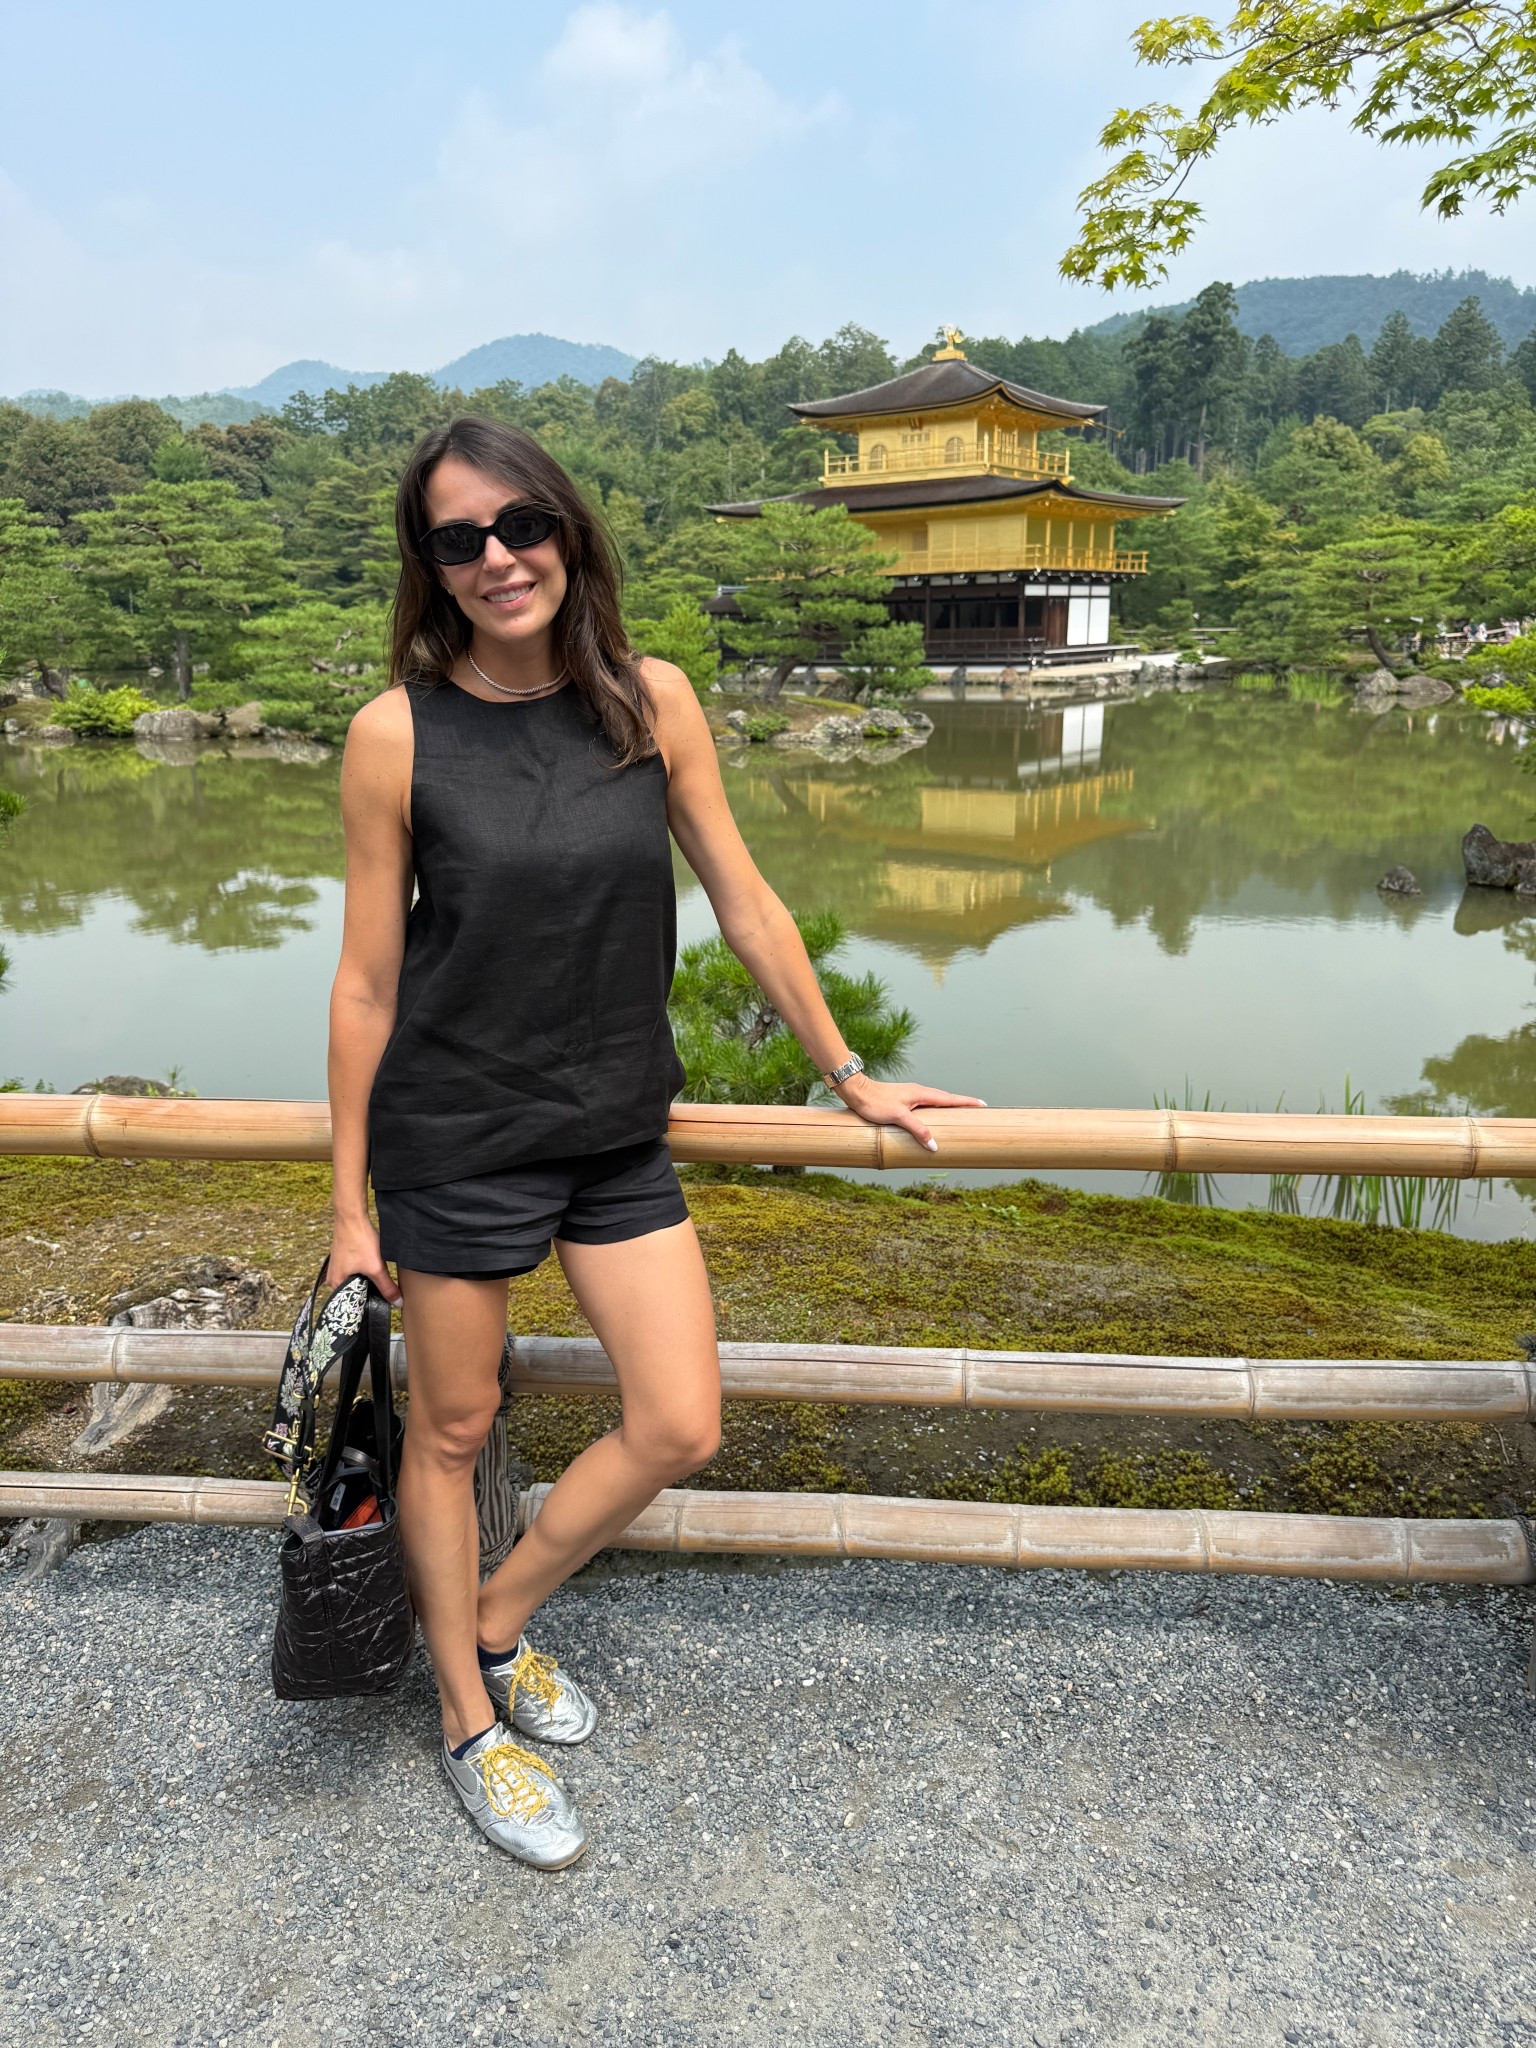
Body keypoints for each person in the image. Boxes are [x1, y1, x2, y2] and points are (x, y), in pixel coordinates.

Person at [326, 416, 984, 1869]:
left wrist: (848, 1071)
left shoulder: (651, 699)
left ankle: (493, 1621)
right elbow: (369, 980)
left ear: (567, 531)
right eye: (458, 540)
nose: (497, 558)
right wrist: (346, 1210)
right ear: (429, 569)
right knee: (447, 1431)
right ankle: (463, 1723)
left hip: (615, 1126)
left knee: (681, 1420)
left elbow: (747, 902)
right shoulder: (398, 731)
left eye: (520, 525)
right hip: (456, 1135)